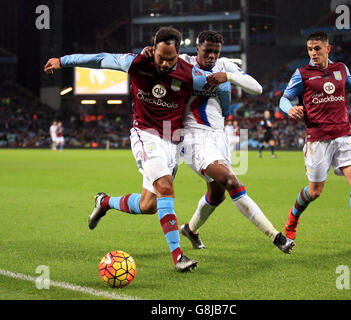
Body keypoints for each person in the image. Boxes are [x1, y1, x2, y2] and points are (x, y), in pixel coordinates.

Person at [44, 27, 231, 272]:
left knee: (148, 206)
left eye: (170, 59)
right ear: (153, 49)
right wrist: (62, 61)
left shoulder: (190, 74)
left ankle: (105, 202)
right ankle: (178, 257)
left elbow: (222, 88)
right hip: (145, 135)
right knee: (165, 186)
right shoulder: (136, 62)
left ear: (179, 55)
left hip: (172, 142)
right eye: (160, 58)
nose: (164, 63)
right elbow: (100, 59)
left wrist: (227, 88)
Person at [142, 31, 295, 253]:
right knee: (231, 181)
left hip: (219, 137)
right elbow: (161, 62)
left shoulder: (225, 65)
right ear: (197, 48)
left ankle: (191, 230)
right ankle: (276, 236)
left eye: (216, 51)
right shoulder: (184, 61)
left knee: (217, 194)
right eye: (207, 51)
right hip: (192, 137)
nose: (212, 55)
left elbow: (257, 88)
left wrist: (229, 76)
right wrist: (149, 52)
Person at [279, 31, 351, 253]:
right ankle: (293, 216)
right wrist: (290, 109)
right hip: (318, 138)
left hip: (344, 134)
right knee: (315, 191)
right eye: (309, 49)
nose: (313, 53)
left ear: (328, 49)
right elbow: (284, 99)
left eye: (317, 48)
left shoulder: (341, 69)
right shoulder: (302, 74)